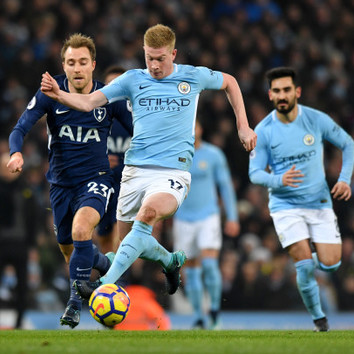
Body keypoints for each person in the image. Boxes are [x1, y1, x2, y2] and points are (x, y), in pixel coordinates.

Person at [40, 24, 257, 299]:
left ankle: (103, 283)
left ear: (173, 54)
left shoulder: (192, 77)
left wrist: (243, 126)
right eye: (149, 58)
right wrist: (58, 95)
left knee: (148, 215)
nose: (154, 65)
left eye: (161, 58)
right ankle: (170, 261)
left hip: (173, 171)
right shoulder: (132, 79)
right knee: (130, 244)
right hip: (135, 171)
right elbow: (88, 102)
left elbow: (230, 82)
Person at [7, 33, 133, 328]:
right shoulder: (50, 95)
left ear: (93, 65)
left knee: (81, 231)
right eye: (71, 63)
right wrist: (15, 153)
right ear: (63, 66)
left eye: (83, 62)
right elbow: (20, 128)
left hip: (98, 179)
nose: (77, 68)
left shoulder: (109, 97)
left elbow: (138, 131)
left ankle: (74, 304)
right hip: (61, 185)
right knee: (71, 249)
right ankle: (108, 267)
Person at [248, 67, 354, 332]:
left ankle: (317, 251)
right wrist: (278, 181)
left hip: (319, 204)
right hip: (285, 207)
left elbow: (348, 144)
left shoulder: (315, 120)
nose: (282, 95)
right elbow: (254, 173)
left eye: (286, 90)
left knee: (331, 265)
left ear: (297, 92)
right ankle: (319, 318)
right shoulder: (263, 130)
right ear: (270, 94)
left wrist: (344, 179)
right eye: (276, 91)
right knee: (305, 266)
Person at [173, 119, 240, 329]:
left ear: (201, 128)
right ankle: (199, 317)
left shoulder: (213, 155)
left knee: (210, 264)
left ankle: (214, 311)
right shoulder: (174, 155)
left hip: (208, 216)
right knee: (190, 271)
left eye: (195, 125)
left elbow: (225, 186)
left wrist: (232, 216)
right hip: (182, 218)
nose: (192, 130)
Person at [0, 152, 41, 329]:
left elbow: (33, 220)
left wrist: (32, 246)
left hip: (20, 245)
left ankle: (18, 324)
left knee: (22, 288)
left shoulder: (26, 192)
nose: (6, 170)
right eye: (3, 166)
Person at [94, 65, 132, 254]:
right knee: (105, 243)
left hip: (128, 187)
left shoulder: (137, 118)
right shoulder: (95, 117)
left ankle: (120, 281)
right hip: (102, 186)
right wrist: (99, 160)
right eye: (110, 85)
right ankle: (108, 280)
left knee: (122, 240)